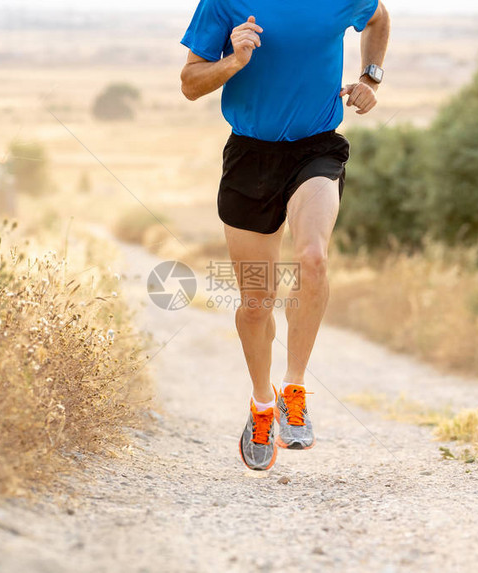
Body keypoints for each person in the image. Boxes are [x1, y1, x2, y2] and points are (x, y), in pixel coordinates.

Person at [179, 0, 391, 471]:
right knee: (257, 302)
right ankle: (261, 405)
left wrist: (370, 77)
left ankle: (294, 390)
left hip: (316, 148)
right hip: (249, 156)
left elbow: (377, 18)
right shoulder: (223, 3)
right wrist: (233, 62)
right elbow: (190, 84)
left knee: (313, 257)